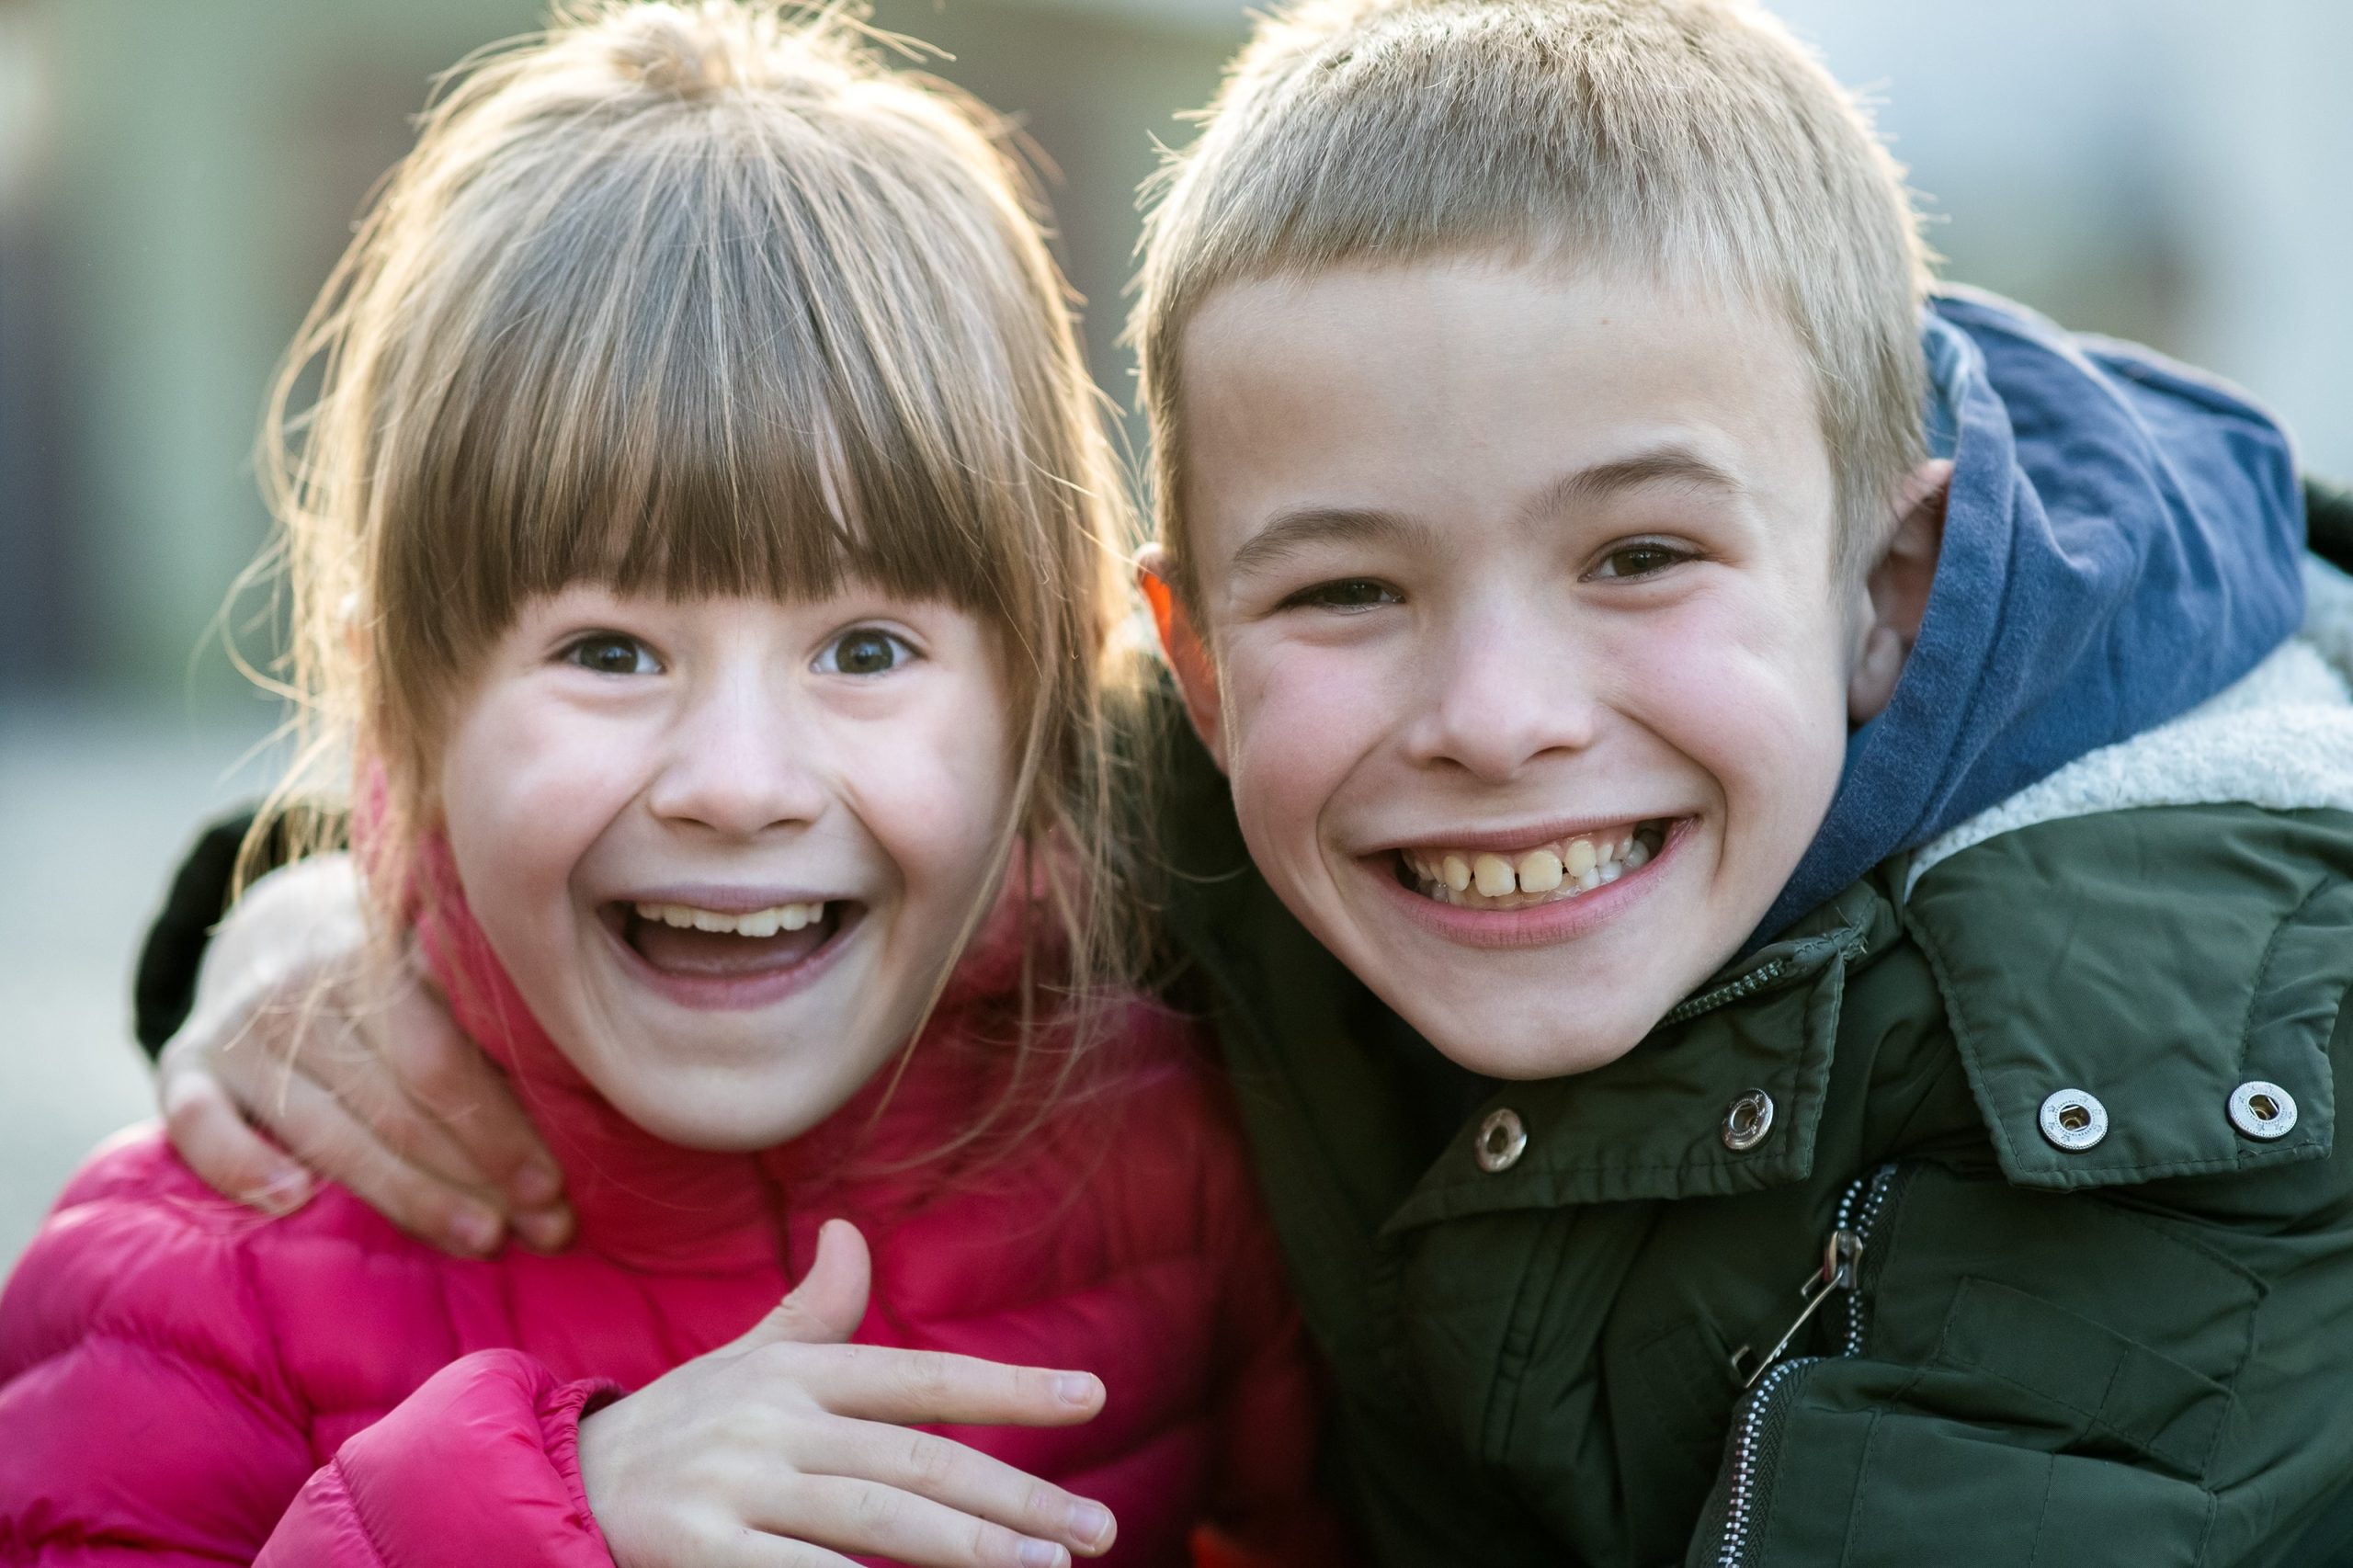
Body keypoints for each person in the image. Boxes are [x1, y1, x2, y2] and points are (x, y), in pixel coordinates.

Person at [98, 0, 2353, 1562]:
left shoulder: (2181, 1075)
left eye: (1638, 556)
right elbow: (888, 792)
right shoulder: (1251, 805)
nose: (1490, 714)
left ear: (1892, 576)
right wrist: (322, 909)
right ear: (1180, 650)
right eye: (1345, 593)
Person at [0, 6, 1333, 1564]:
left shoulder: (1177, 1152)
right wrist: (530, 1521)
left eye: (868, 647)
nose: (740, 783)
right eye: (615, 651)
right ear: (407, 698)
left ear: (1045, 683)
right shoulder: (177, 1303)